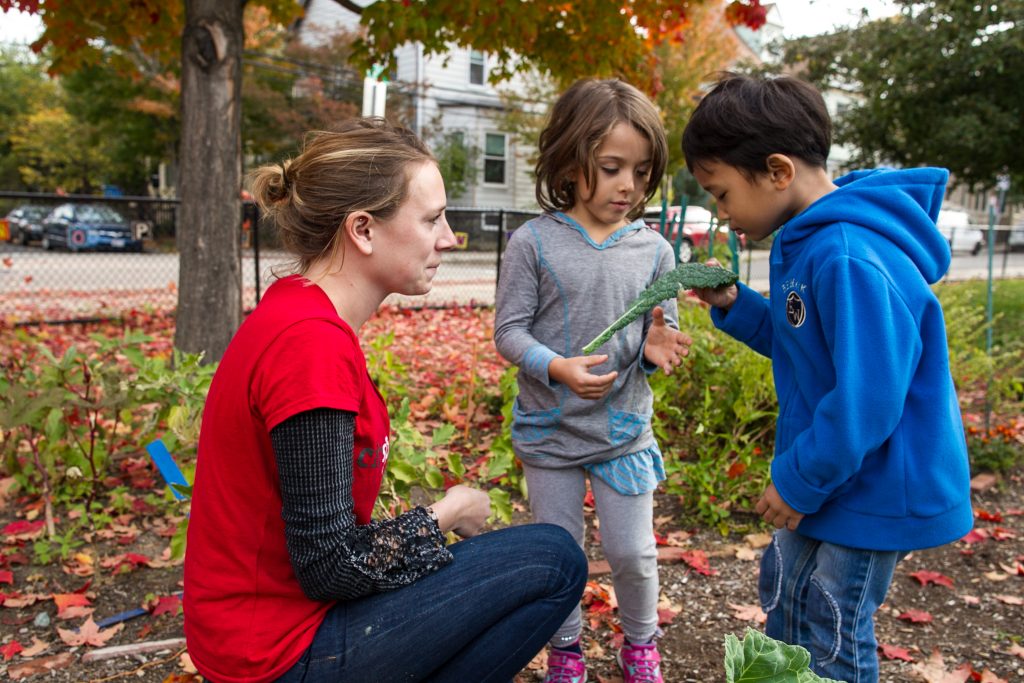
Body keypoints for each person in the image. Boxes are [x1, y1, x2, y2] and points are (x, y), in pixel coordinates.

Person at [183, 118, 588, 683]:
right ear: (363, 230)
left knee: (536, 556)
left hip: (263, 630)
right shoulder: (309, 347)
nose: (449, 238)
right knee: (555, 558)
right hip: (275, 654)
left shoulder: (299, 309)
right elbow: (331, 565)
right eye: (431, 219)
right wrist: (446, 513)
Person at [682, 72, 973, 682]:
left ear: (778, 171)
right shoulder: (812, 242)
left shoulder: (846, 254)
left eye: (722, 191)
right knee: (785, 591)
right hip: (837, 470)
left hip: (874, 481)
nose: (721, 209)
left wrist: (795, 481)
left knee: (833, 620)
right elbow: (804, 346)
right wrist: (736, 303)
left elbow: (867, 400)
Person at [494, 78, 692, 683]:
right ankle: (567, 649)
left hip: (623, 433)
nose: (627, 185)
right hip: (550, 432)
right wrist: (556, 366)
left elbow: (664, 328)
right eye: (610, 168)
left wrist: (660, 347)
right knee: (561, 558)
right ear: (570, 162)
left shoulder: (655, 251)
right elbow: (509, 331)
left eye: (640, 170)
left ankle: (640, 645)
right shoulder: (531, 243)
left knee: (633, 553)